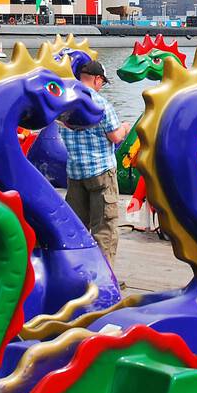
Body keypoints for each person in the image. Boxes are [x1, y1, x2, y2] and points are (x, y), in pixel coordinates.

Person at [62, 59, 131, 262]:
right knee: (104, 228)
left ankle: (77, 273)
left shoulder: (65, 103)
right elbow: (115, 137)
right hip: (101, 173)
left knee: (76, 227)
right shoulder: (100, 103)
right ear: (97, 79)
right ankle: (103, 281)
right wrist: (126, 128)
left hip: (75, 173)